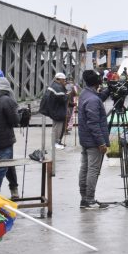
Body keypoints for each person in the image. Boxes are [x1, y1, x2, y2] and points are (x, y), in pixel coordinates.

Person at [77, 69, 110, 209]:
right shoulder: (93, 99)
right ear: (97, 82)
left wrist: (108, 91)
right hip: (93, 141)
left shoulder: (85, 94)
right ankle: (90, 199)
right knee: (93, 169)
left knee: (85, 168)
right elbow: (93, 123)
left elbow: (97, 99)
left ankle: (84, 198)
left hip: (85, 139)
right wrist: (101, 142)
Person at [40, 72, 69, 149]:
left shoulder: (54, 85)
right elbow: (63, 99)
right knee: (58, 127)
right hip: (57, 111)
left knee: (56, 127)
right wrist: (68, 94)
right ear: (59, 80)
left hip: (55, 110)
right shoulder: (58, 87)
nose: (65, 82)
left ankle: (57, 141)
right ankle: (56, 142)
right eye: (64, 80)